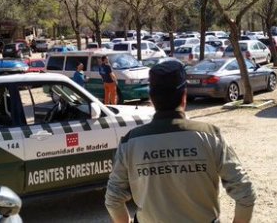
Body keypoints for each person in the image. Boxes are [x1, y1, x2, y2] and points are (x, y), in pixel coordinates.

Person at [104, 60, 255, 223]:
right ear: (184, 96)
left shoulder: (130, 142)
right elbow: (245, 194)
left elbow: (113, 200)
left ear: (152, 98)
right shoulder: (210, 136)